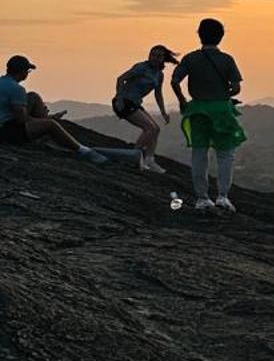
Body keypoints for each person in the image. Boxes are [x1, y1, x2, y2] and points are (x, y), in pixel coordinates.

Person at [171, 17, 246, 214]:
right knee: (225, 155)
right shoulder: (227, 60)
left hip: (197, 110)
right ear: (221, 37)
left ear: (199, 35)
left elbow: (175, 81)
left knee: (199, 153)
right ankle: (222, 196)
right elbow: (236, 88)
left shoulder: (190, 58)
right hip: (222, 111)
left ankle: (202, 198)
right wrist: (223, 94)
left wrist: (182, 100)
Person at [1, 55, 112, 162]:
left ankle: (46, 124)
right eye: (28, 71)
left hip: (5, 123)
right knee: (51, 125)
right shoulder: (17, 89)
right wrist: (46, 121)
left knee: (33, 96)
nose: (28, 74)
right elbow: (21, 120)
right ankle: (83, 150)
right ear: (23, 71)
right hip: (7, 132)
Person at [112, 44, 177, 173]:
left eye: (158, 56)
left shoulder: (159, 75)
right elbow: (121, 79)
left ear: (163, 59)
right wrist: (119, 99)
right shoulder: (141, 67)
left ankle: (149, 160)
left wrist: (163, 112)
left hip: (135, 103)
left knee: (156, 129)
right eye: (152, 54)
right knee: (149, 128)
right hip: (124, 102)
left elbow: (158, 94)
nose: (154, 58)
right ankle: (133, 158)